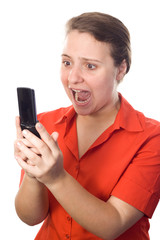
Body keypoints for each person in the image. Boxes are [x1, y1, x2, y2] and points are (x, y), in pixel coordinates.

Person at [14, 12, 160, 240]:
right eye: (67, 62)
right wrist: (34, 175)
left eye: (90, 66)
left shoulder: (152, 137)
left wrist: (55, 177)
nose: (73, 78)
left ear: (121, 69)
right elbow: (30, 217)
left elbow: (113, 224)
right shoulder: (46, 124)